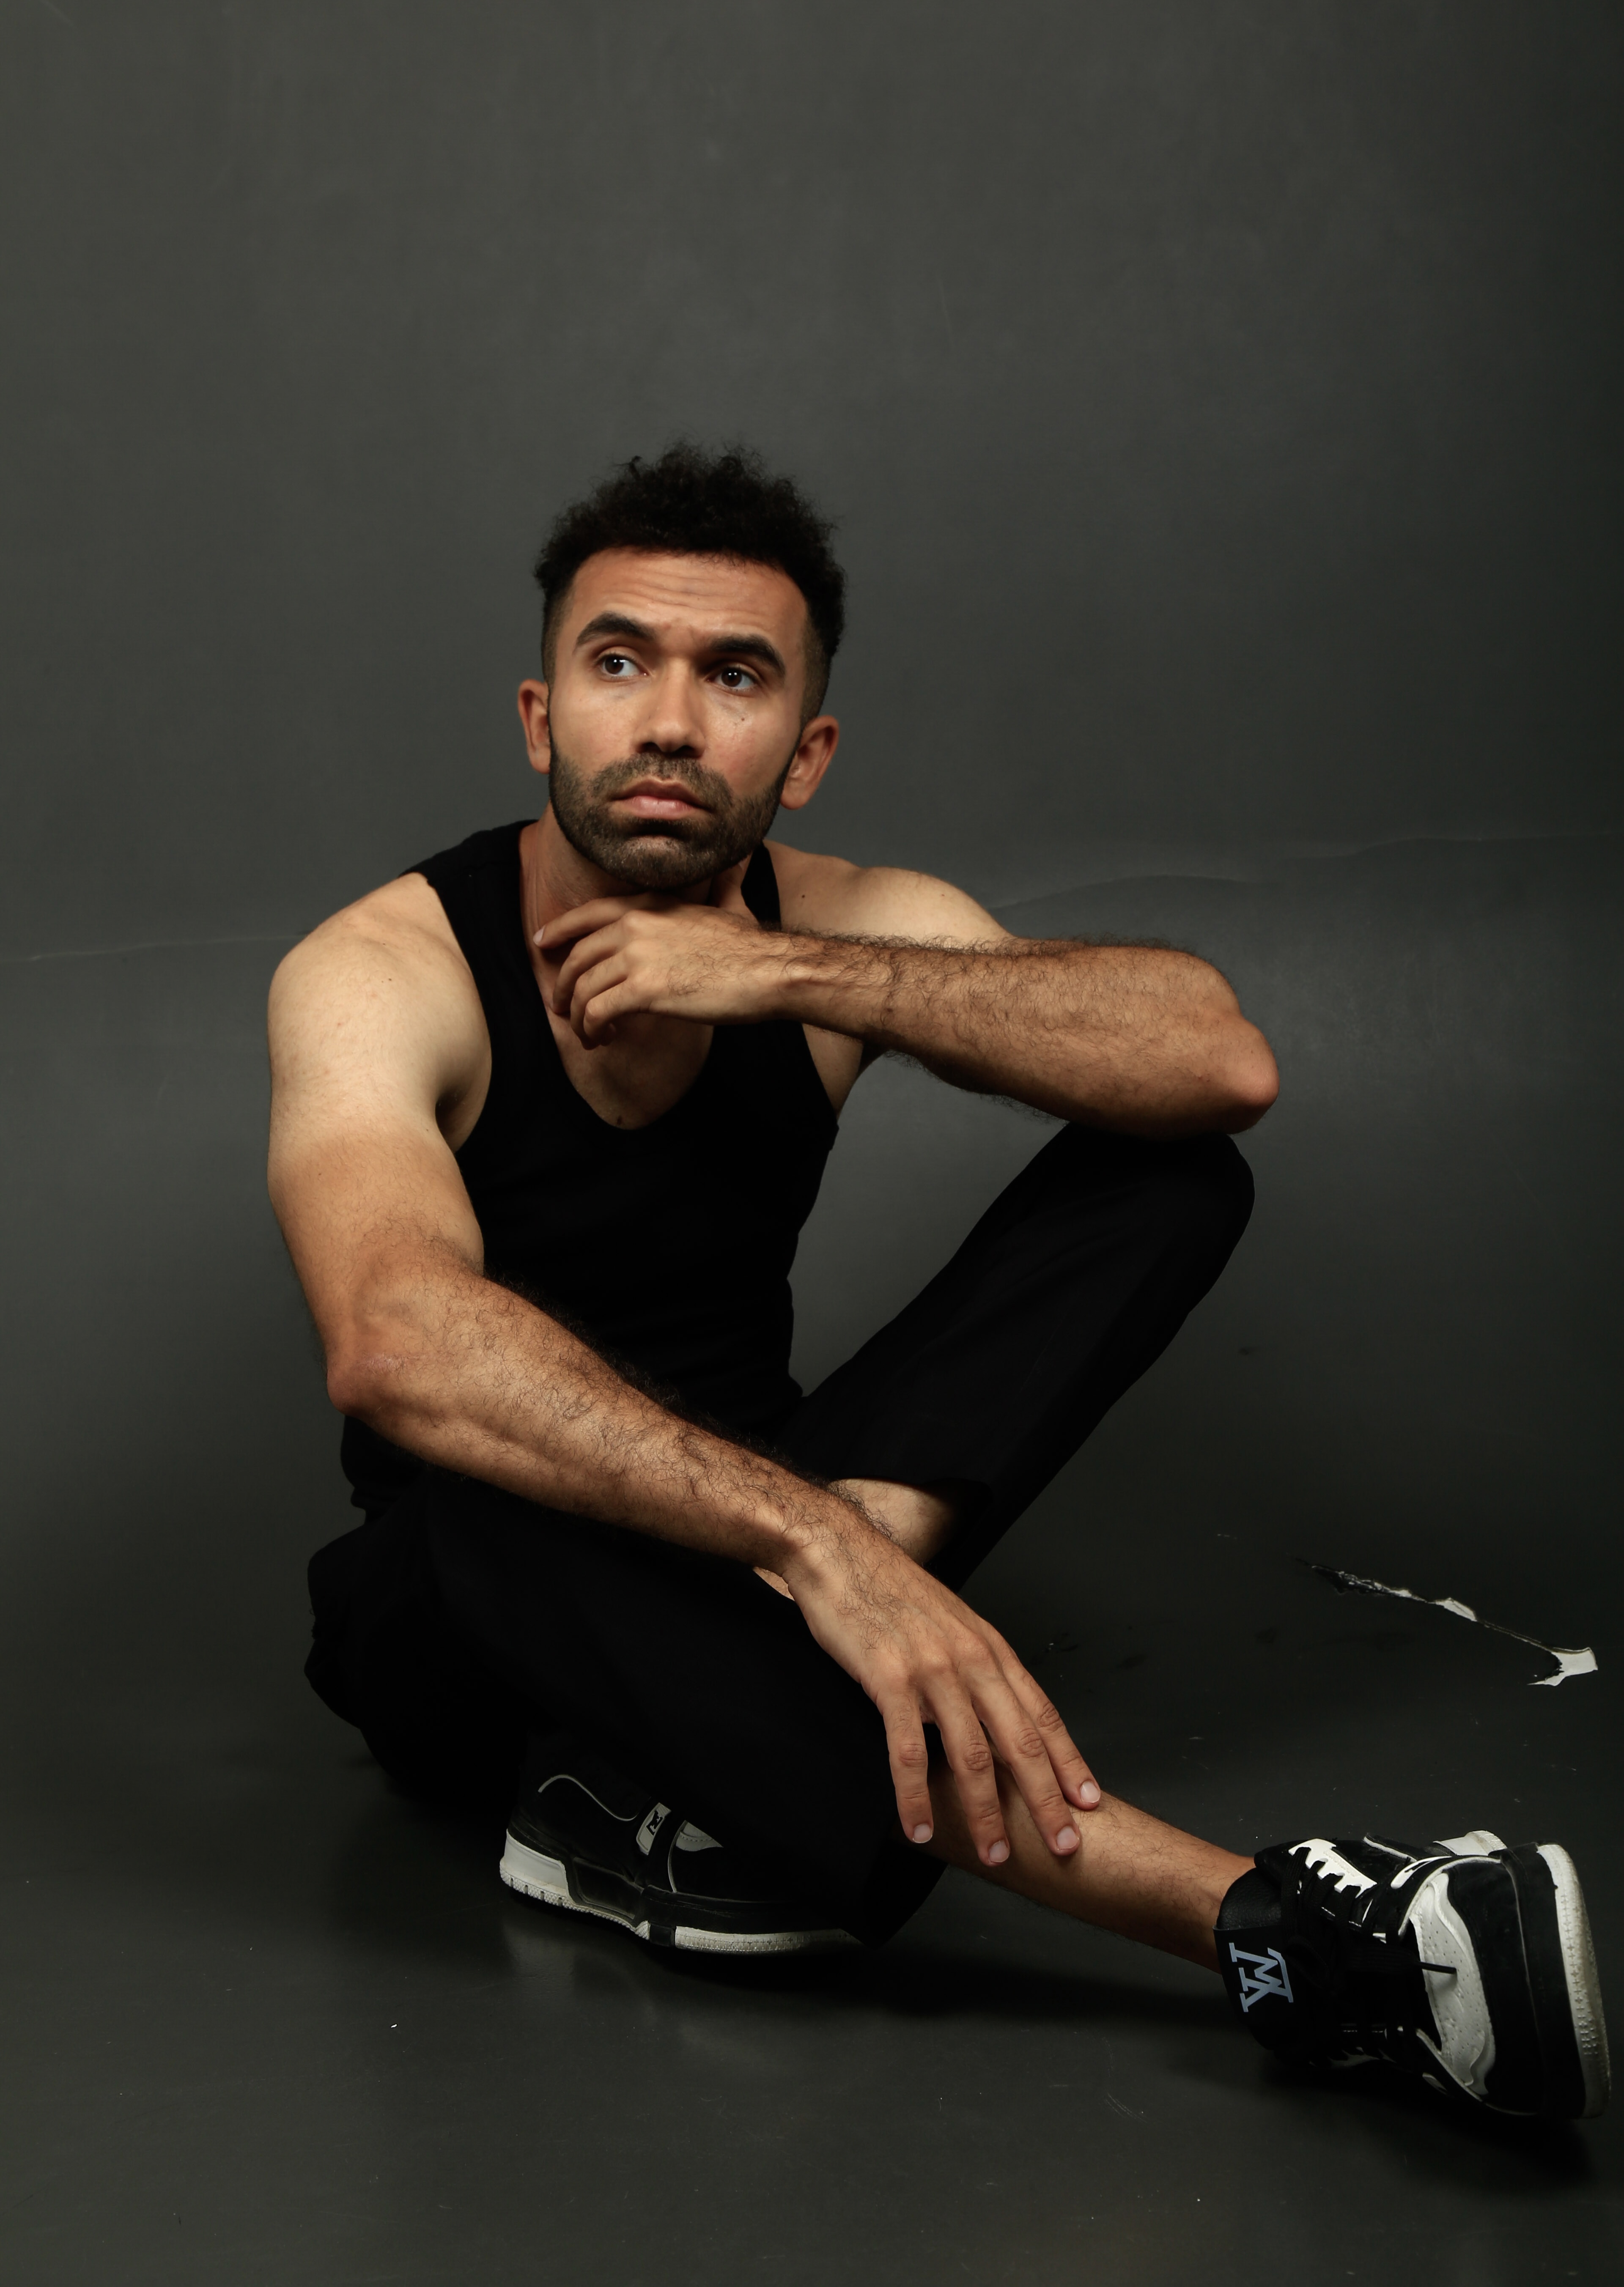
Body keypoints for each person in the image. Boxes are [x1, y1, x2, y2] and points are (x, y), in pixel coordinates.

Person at [268, 445, 1608, 2123]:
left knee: (1169, 1173)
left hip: (771, 1525)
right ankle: (1295, 1933)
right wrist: (817, 1548)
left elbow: (1218, 1059)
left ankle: (687, 1760)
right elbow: (393, 1335)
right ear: (542, 719)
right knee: (476, 1485)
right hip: (473, 1617)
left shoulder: (838, 929)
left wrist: (786, 972)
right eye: (619, 662)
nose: (670, 722)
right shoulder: (382, 969)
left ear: (807, 750)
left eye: (735, 676)